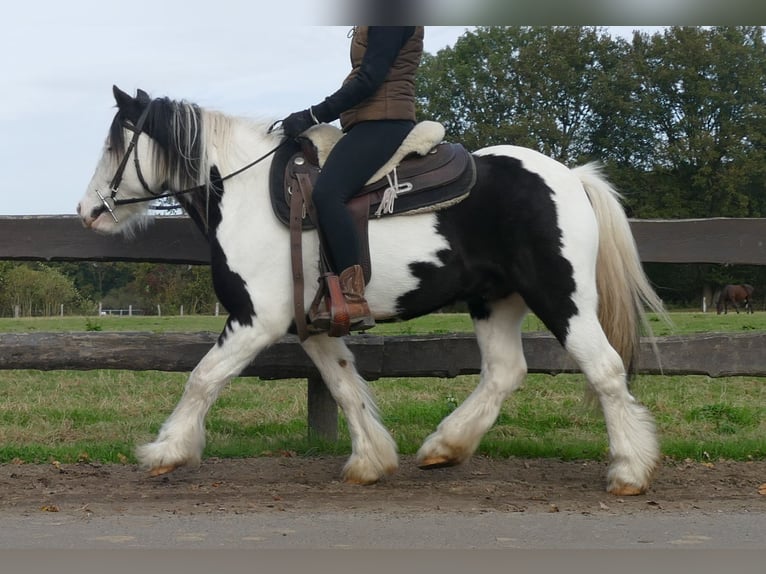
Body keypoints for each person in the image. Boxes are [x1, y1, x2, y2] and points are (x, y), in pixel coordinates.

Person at [281, 26, 425, 334]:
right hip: (368, 121)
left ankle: (351, 297)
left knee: (327, 193)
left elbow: (369, 80)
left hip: (384, 122)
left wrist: (313, 114)